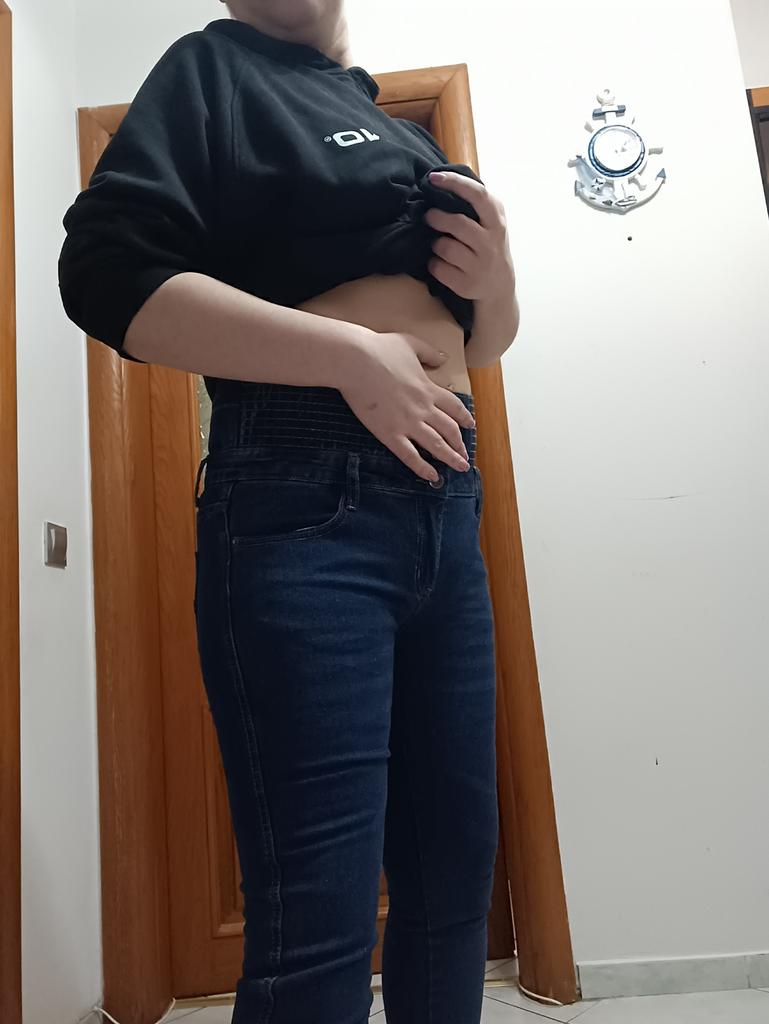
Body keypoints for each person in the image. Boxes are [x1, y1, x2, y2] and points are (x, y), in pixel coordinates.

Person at [58, 2, 520, 1022]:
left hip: (444, 493)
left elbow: (483, 344)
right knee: (319, 905)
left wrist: (497, 281)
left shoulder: (394, 129)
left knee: (454, 871)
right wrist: (351, 358)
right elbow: (105, 275)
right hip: (302, 489)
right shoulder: (213, 72)